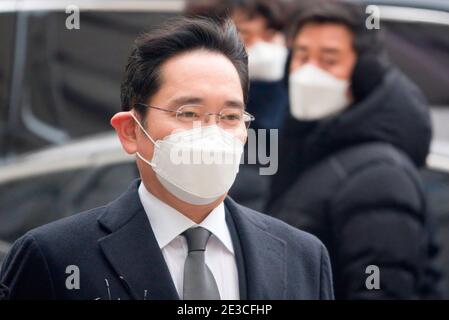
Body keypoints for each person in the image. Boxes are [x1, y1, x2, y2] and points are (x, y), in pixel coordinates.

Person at [0, 17, 333, 300]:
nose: (212, 132)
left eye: (230, 116)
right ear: (130, 131)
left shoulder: (302, 257)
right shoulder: (53, 258)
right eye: (188, 113)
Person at [265, 3, 440, 299]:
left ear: (363, 74)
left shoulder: (381, 177)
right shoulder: (306, 145)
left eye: (329, 60)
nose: (308, 71)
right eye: (302, 56)